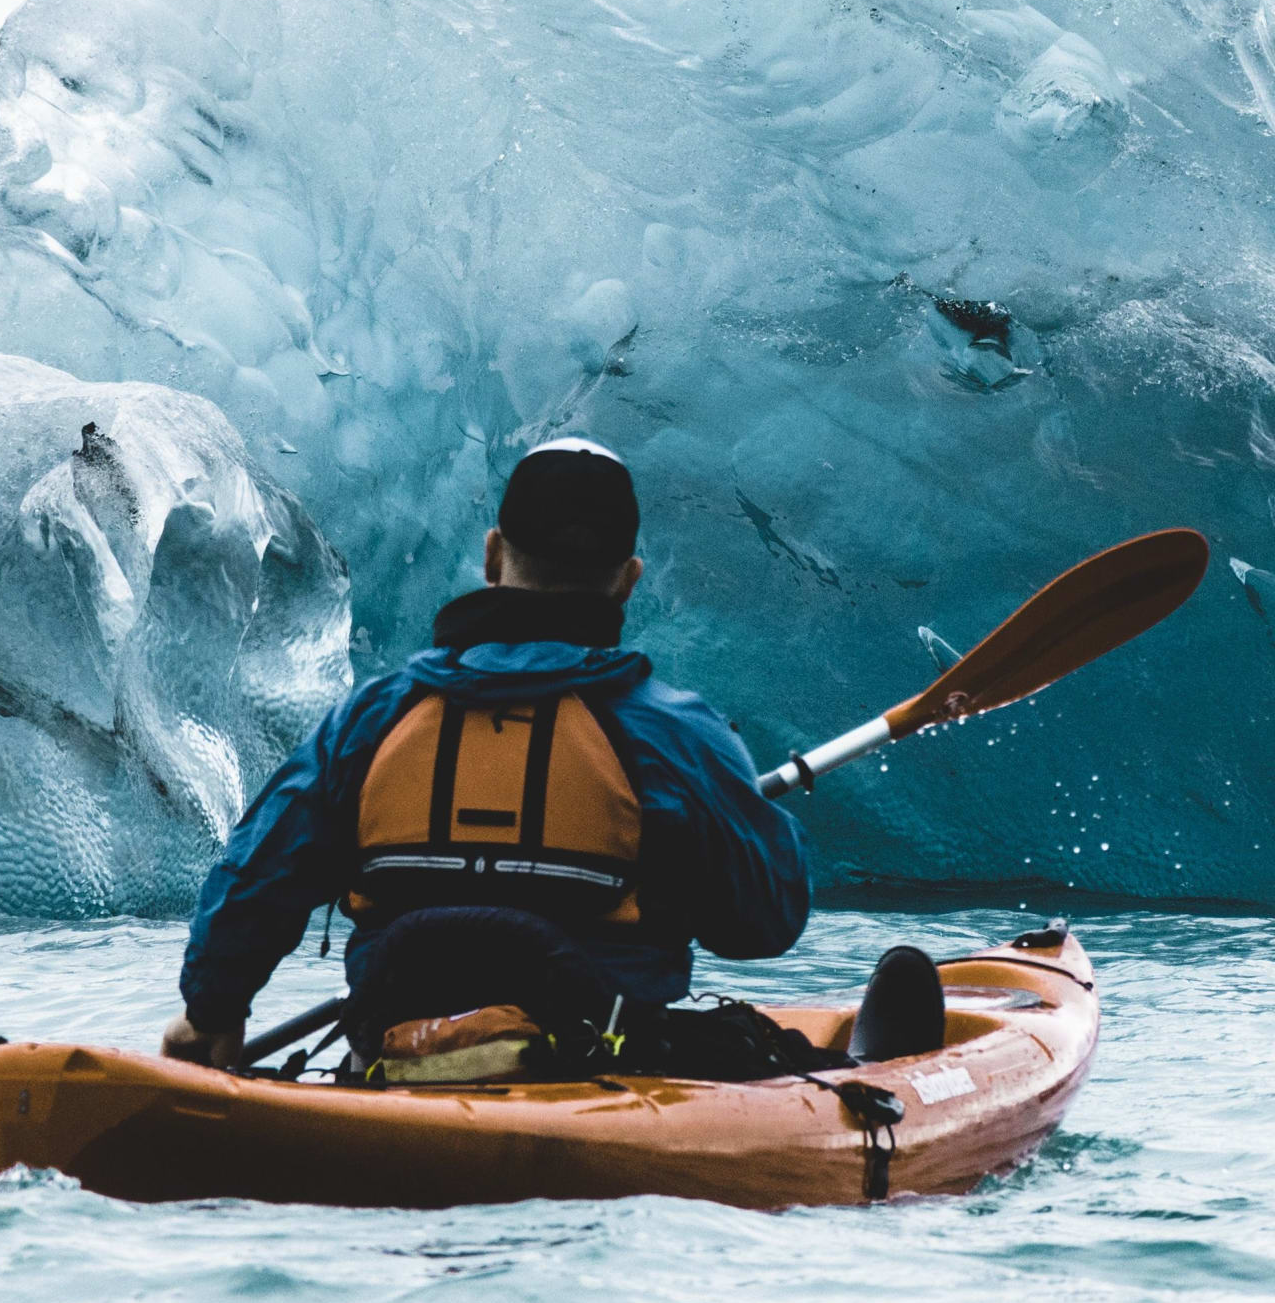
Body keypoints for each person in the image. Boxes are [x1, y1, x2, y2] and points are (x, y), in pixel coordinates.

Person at [159, 437, 938, 1072]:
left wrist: (212, 1018)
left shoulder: (369, 723)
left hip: (392, 1051)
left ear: (493, 556)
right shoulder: (674, 735)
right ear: (629, 582)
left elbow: (254, 878)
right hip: (605, 1062)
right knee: (823, 1060)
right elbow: (764, 923)